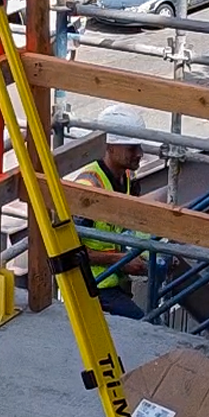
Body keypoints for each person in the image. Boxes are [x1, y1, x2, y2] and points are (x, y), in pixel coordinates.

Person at [76, 104, 150, 318]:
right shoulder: (89, 188)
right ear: (110, 146)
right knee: (143, 325)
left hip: (114, 281)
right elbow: (72, 252)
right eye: (131, 148)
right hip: (92, 287)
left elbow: (131, 229)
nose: (140, 154)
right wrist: (121, 260)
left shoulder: (127, 179)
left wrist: (153, 255)